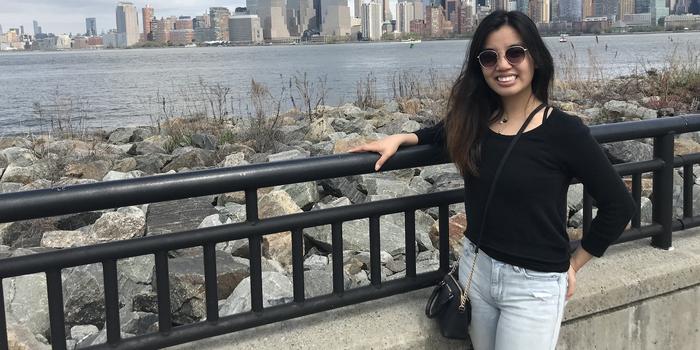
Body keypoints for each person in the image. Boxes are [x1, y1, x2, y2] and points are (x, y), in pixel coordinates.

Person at [349, 10, 635, 350]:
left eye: (515, 53)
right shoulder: (477, 122)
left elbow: (619, 206)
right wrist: (401, 139)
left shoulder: (564, 131)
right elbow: (439, 134)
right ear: (479, 67)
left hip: (533, 285)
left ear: (535, 58)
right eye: (490, 57)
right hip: (476, 271)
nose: (503, 65)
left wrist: (573, 264)